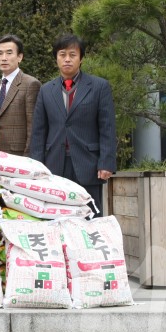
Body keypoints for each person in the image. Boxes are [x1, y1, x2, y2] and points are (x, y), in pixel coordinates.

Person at [30, 34, 117, 215]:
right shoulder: (46, 90)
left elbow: (107, 127)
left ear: (81, 58)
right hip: (54, 163)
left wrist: (106, 162)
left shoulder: (99, 87)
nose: (67, 59)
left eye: (72, 54)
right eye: (62, 55)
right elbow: (39, 131)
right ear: (56, 58)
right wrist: (37, 168)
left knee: (90, 215)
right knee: (56, 215)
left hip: (88, 164)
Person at [0, 34, 41, 156]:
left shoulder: (30, 84)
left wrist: (29, 158)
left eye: (9, 53)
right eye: (0, 54)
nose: (4, 58)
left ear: (20, 57)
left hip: (18, 155)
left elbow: (33, 127)